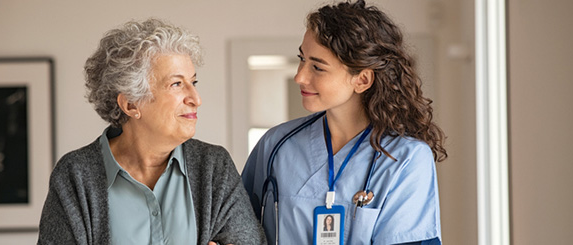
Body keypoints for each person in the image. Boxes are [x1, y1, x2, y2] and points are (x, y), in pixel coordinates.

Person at [38, 18, 266, 245]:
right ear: (131, 104)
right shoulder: (74, 176)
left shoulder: (214, 167)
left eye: (193, 82)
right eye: (176, 84)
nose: (196, 99)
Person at [241, 1, 447, 244]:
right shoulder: (276, 145)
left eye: (317, 67)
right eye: (302, 59)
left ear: (362, 80)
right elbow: (237, 229)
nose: (299, 76)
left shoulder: (406, 159)